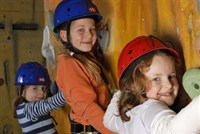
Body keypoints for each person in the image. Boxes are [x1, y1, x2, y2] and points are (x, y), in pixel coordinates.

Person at [103, 35, 200, 134]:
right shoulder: (149, 110)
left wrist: (124, 90)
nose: (169, 85)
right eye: (156, 79)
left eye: (171, 76)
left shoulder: (128, 117)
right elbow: (171, 131)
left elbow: (108, 120)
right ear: (135, 84)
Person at [53, 0, 115, 134]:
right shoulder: (69, 65)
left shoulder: (86, 58)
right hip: (94, 129)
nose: (89, 35)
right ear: (64, 35)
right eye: (81, 30)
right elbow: (88, 108)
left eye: (92, 29)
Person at [12, 62, 65, 134]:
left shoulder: (29, 106)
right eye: (35, 88)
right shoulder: (27, 110)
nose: (42, 92)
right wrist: (69, 92)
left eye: (44, 88)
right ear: (22, 92)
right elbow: (49, 104)